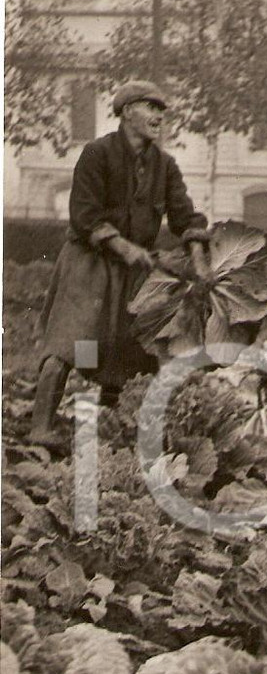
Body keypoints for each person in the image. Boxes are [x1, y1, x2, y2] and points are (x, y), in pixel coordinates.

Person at [29, 80, 211, 448]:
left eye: (163, 111)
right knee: (72, 341)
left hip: (134, 272)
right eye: (152, 108)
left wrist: (198, 258)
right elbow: (84, 215)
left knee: (126, 352)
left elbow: (184, 216)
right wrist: (124, 247)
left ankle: (109, 429)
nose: (160, 116)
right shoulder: (97, 154)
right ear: (127, 111)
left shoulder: (165, 166)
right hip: (89, 262)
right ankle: (41, 428)